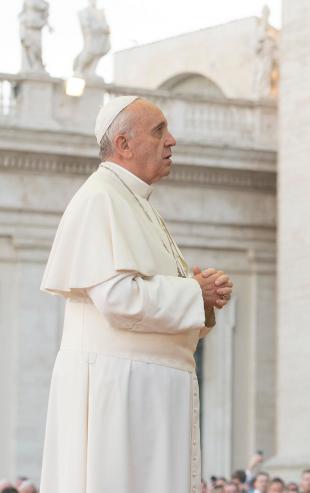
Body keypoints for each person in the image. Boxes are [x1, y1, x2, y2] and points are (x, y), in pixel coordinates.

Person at [38, 95, 234, 492]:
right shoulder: (101, 199)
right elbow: (118, 300)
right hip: (122, 396)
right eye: (159, 131)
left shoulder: (137, 204)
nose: (172, 140)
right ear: (123, 144)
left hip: (147, 393)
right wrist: (193, 292)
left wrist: (203, 300)